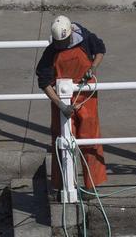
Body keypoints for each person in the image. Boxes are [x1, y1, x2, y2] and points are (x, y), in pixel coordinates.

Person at [37, 16, 107, 191]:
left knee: (90, 139)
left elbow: (100, 49)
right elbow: (44, 81)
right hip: (62, 100)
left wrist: (93, 66)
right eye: (57, 43)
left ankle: (92, 187)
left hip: (87, 96)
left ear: (69, 35)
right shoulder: (50, 53)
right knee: (62, 141)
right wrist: (61, 105)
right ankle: (64, 186)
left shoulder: (85, 37)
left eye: (63, 42)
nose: (60, 46)